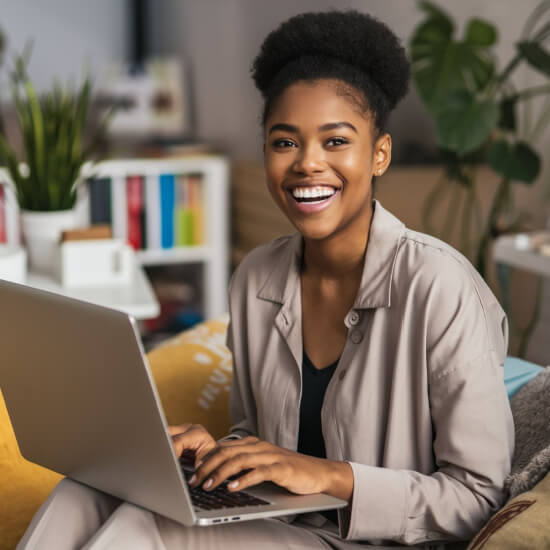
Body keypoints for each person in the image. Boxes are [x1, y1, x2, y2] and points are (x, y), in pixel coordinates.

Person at [18, 10, 514, 550]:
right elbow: (263, 437)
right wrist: (218, 452)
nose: (307, 164)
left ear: (379, 155)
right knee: (83, 491)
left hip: (373, 541)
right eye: (285, 142)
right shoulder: (255, 277)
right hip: (275, 522)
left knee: (147, 527)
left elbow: (477, 498)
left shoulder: (442, 287)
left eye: (335, 141)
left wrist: (330, 475)